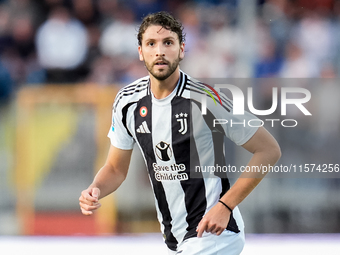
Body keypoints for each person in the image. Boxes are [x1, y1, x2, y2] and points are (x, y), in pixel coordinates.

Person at [79, 11, 281, 255]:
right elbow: (115, 168)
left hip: (215, 235)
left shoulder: (204, 99)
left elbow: (268, 150)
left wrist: (225, 206)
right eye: (151, 44)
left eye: (168, 43)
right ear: (140, 52)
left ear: (182, 49)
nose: (160, 51)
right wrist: (96, 188)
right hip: (177, 240)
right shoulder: (127, 101)